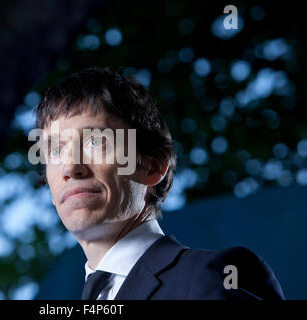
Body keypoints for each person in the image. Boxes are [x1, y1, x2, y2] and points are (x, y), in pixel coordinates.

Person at [32, 67, 284, 300]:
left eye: (96, 141)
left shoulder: (211, 279)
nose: (70, 167)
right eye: (55, 150)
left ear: (152, 166)